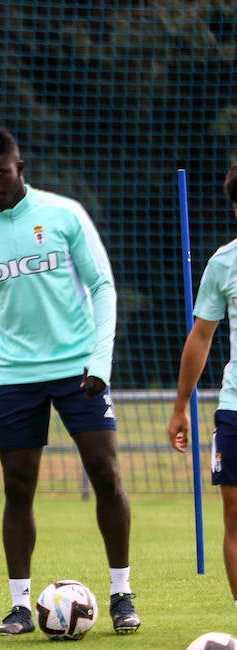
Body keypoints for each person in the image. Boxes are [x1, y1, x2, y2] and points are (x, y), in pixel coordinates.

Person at [0, 128, 139, 636]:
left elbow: (103, 286)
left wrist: (101, 362)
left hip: (79, 367)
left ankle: (122, 595)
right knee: (17, 487)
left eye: (0, 172)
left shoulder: (64, 214)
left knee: (104, 473)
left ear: (20, 166)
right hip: (15, 376)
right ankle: (18, 606)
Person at [168, 164, 237, 610]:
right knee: (235, 517)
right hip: (235, 407)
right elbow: (201, 336)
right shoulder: (224, 262)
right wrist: (180, 406)